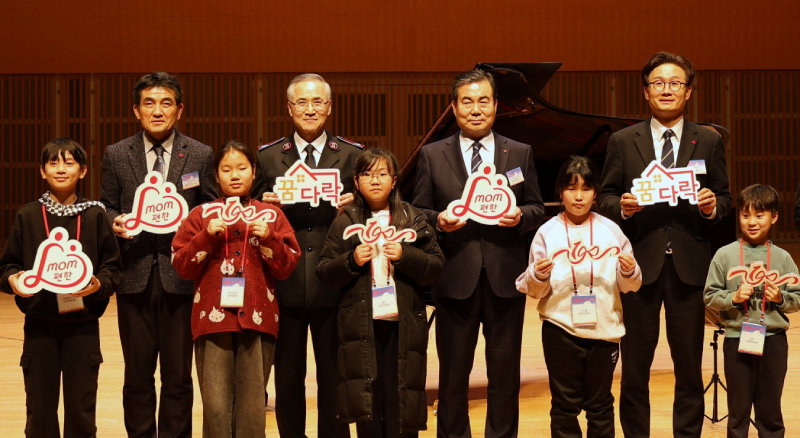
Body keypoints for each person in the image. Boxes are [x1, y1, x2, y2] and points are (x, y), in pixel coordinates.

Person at [598, 52, 732, 437]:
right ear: (646, 92)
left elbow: (725, 199)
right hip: (638, 266)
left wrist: (711, 207)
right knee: (636, 367)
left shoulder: (707, 139)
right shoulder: (623, 141)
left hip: (690, 267)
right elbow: (605, 198)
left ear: (688, 91)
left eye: (675, 83)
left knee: (688, 366)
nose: (666, 89)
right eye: (658, 83)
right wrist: (622, 207)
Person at [412, 69, 545, 437]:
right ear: (454, 108)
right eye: (467, 101)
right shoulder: (432, 155)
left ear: (496, 106)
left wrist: (520, 216)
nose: (475, 109)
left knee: (505, 376)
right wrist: (439, 220)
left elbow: (537, 206)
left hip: (505, 281)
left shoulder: (518, 152)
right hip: (454, 279)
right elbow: (417, 211)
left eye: (483, 101)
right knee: (454, 376)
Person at [100, 71, 218, 437]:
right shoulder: (117, 154)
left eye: (165, 103)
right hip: (134, 275)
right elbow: (104, 206)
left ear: (179, 109)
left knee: (178, 376)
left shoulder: (199, 153)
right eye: (148, 103)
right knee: (137, 376)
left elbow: (210, 206)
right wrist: (115, 220)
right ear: (136, 110)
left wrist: (197, 226)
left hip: (181, 278)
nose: (157, 110)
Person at [250, 73, 363, 437]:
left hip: (336, 282)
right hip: (285, 283)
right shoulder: (268, 157)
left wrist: (356, 204)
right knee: (287, 379)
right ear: (289, 108)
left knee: (335, 376)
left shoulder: (352, 154)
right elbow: (247, 211)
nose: (310, 109)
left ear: (329, 107)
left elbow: (375, 209)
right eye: (302, 102)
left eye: (317, 102)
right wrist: (262, 207)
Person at [172, 141, 300, 437]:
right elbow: (181, 265)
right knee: (215, 407)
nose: (234, 175)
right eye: (226, 169)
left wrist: (269, 238)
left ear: (254, 172)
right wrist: (206, 237)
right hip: (211, 321)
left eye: (242, 168)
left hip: (258, 319)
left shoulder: (271, 216)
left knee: (253, 406)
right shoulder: (201, 215)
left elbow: (287, 266)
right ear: (215, 175)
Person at [317, 148, 445, 437]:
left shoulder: (411, 217)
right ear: (357, 181)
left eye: (382, 174)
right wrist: (352, 260)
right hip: (361, 326)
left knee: (400, 398)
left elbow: (436, 264)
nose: (375, 180)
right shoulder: (346, 220)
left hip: (403, 326)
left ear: (395, 180)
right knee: (369, 402)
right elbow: (324, 271)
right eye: (367, 174)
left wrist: (405, 255)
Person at [0, 138, 122, 437]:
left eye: (69, 163)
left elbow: (113, 268)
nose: (61, 169)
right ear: (42, 171)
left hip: (83, 325)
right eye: (53, 163)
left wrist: (98, 285)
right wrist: (13, 280)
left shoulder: (95, 215)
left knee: (81, 409)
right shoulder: (27, 216)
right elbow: (7, 267)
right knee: (39, 410)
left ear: (82, 171)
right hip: (39, 325)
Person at [516, 156, 641, 437]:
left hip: (604, 331)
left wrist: (630, 271)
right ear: (560, 192)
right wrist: (539, 275)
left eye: (585, 189)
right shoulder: (546, 233)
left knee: (600, 405)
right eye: (571, 188)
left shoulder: (612, 230)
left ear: (596, 192)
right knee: (564, 406)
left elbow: (630, 285)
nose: (578, 196)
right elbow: (535, 291)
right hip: (560, 330)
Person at [704, 184, 800, 437]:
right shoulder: (724, 255)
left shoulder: (783, 258)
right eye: (746, 215)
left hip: (774, 342)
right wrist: (733, 298)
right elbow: (710, 296)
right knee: (738, 412)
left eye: (760, 215)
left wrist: (780, 298)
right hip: (737, 340)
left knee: (770, 412)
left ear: (774, 216)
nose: (752, 222)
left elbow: (797, 298)